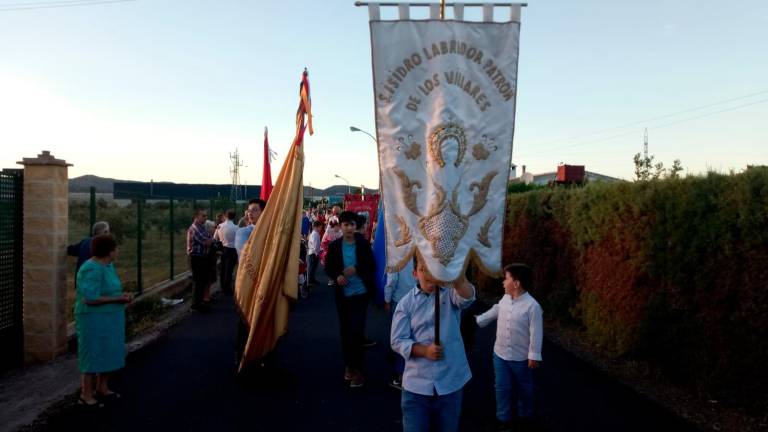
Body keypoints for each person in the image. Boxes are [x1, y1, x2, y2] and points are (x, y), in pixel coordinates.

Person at [391, 256, 475, 432]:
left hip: (450, 381)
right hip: (417, 385)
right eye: (423, 269)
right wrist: (423, 350)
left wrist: (455, 276)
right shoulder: (405, 304)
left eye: (433, 268)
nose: (429, 273)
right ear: (415, 274)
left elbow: (468, 297)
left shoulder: (450, 293)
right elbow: (397, 340)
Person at [475, 263, 543, 431]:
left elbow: (536, 332)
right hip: (500, 354)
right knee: (501, 387)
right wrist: (478, 320)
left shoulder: (532, 306)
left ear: (516, 283)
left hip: (520, 358)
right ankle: (503, 418)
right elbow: (496, 310)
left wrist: (534, 355)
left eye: (506, 279)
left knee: (524, 388)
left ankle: (525, 415)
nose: (503, 282)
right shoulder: (505, 299)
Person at [74, 233, 133, 407]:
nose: (118, 250)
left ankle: (102, 387)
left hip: (110, 318)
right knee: (92, 352)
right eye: (116, 248)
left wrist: (122, 296)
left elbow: (109, 291)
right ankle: (86, 393)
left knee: (108, 350)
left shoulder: (108, 266)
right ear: (109, 251)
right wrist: (117, 299)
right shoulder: (90, 268)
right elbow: (89, 298)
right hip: (92, 319)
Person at [324, 211, 376, 388]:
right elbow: (329, 267)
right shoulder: (335, 246)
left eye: (352, 224)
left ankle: (358, 371)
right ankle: (349, 366)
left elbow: (371, 265)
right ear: (340, 226)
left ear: (356, 226)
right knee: (346, 332)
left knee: (357, 331)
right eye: (345, 224)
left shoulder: (363, 244)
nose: (349, 228)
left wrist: (357, 268)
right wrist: (337, 276)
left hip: (360, 294)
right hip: (343, 296)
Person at [384, 259, 416, 390]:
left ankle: (401, 376)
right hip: (417, 298)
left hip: (400, 300)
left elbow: (392, 280)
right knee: (415, 336)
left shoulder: (396, 254)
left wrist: (387, 298)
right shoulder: (421, 250)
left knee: (399, 338)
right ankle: (414, 373)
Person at [187, 209, 213, 312]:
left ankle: (200, 302)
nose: (205, 218)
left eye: (206, 216)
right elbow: (206, 241)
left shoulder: (201, 227)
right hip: (196, 257)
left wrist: (211, 239)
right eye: (203, 216)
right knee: (198, 281)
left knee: (202, 281)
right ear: (196, 217)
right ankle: (195, 305)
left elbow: (211, 237)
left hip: (202, 257)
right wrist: (212, 239)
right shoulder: (195, 229)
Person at [214, 209, 239, 295]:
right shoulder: (236, 228)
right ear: (234, 217)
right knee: (229, 270)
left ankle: (222, 287)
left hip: (223, 249)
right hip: (232, 249)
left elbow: (215, 238)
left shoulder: (219, 226)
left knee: (223, 269)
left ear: (225, 215)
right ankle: (227, 288)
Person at [306, 220, 323, 286]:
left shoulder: (314, 233)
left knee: (313, 267)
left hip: (312, 253)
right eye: (320, 227)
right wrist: (317, 254)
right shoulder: (315, 234)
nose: (321, 229)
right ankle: (310, 281)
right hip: (313, 253)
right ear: (316, 227)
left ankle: (312, 279)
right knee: (312, 267)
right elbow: (315, 245)